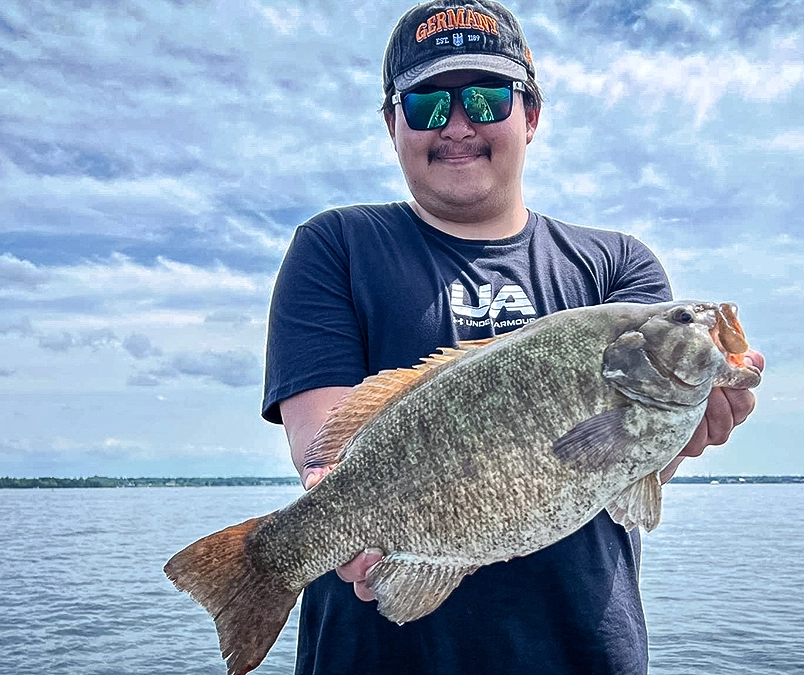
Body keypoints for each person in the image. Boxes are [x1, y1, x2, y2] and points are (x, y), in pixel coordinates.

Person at [262, 1, 763, 673]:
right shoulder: (337, 246)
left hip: (578, 653)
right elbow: (324, 443)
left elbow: (624, 476)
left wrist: (682, 428)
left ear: (530, 114)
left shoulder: (619, 269)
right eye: (428, 105)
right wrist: (335, 520)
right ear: (392, 123)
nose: (459, 124)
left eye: (487, 98)